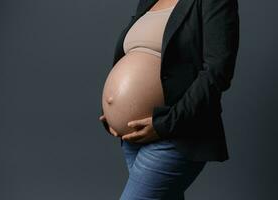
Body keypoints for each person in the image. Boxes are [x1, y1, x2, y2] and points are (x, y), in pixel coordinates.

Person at [99, 0, 240, 199]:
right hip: (134, 137)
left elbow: (217, 73)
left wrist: (165, 123)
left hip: (177, 133)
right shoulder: (149, 1)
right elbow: (132, 54)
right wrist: (113, 111)